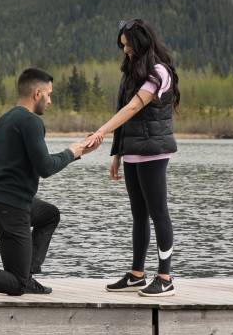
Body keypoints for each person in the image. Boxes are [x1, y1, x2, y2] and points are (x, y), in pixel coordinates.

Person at [0, 67, 97, 297]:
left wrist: (79, 151)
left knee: (49, 214)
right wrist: (72, 152)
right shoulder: (31, 122)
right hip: (11, 206)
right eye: (49, 94)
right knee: (16, 285)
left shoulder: (5, 119)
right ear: (37, 93)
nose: (50, 101)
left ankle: (27, 273)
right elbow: (45, 168)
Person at [75, 18, 180, 296]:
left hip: (154, 152)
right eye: (122, 46)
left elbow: (133, 108)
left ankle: (165, 277)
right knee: (138, 215)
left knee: (159, 213)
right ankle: (136, 274)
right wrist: (117, 154)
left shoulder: (158, 71)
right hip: (134, 151)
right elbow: (126, 117)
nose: (125, 51)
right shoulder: (133, 71)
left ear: (141, 42)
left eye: (128, 45)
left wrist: (99, 132)